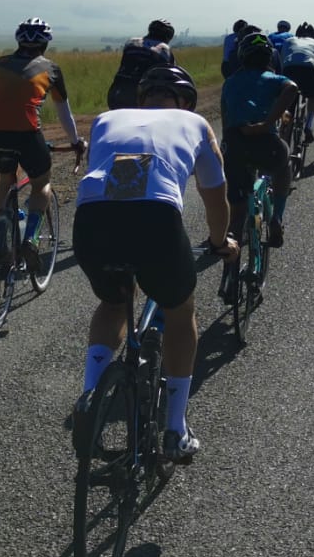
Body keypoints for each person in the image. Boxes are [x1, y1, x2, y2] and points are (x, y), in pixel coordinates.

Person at [72, 65, 236, 463]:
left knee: (113, 304)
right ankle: (175, 430)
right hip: (156, 220)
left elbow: (119, 175)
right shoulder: (195, 123)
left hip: (92, 216)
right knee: (180, 313)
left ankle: (90, 396)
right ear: (186, 101)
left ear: (141, 100)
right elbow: (215, 197)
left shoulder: (108, 119)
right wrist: (219, 242)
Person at [0, 18, 87, 276]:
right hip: (25, 134)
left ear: (18, 41)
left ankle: (0, 243)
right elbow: (64, 114)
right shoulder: (51, 69)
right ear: (45, 43)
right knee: (41, 184)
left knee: (6, 178)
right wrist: (75, 142)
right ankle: (31, 241)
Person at [219, 31, 297, 250]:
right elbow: (292, 88)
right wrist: (267, 122)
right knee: (284, 163)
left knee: (237, 207)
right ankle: (277, 218)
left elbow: (225, 120)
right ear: (269, 57)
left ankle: (232, 239)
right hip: (267, 144)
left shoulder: (230, 82)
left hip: (234, 145)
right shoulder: (274, 79)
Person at [106, 18, 176, 111]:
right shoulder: (164, 49)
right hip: (141, 98)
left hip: (115, 93)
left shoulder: (131, 42)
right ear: (168, 36)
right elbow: (173, 74)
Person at [280, 24, 314, 148]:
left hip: (289, 72)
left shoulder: (288, 41)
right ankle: (309, 125)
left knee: (288, 106)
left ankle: (284, 131)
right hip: (309, 72)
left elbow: (282, 65)